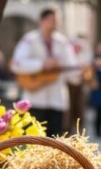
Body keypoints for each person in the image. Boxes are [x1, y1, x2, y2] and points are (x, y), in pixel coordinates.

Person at [11, 8, 80, 137]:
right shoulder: (29, 40)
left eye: (55, 21)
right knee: (33, 142)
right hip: (35, 100)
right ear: (41, 21)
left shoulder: (62, 42)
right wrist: (42, 64)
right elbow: (17, 64)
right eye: (50, 20)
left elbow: (73, 71)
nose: (53, 24)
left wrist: (82, 72)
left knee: (55, 143)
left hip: (57, 101)